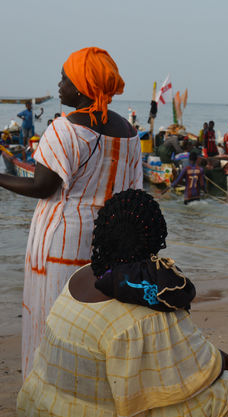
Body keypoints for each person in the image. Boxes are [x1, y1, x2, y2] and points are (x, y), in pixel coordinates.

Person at [16, 189, 228, 417]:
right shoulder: (148, 303)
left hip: (43, 406)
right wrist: (221, 360)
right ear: (155, 238)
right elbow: (198, 370)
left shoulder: (78, 277)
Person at [0, 47, 142, 379]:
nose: (59, 83)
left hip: (59, 244)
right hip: (107, 246)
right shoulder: (130, 133)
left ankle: (48, 396)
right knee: (90, 324)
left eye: (65, 77)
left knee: (51, 319)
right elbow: (134, 194)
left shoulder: (65, 129)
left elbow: (42, 188)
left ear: (81, 86)